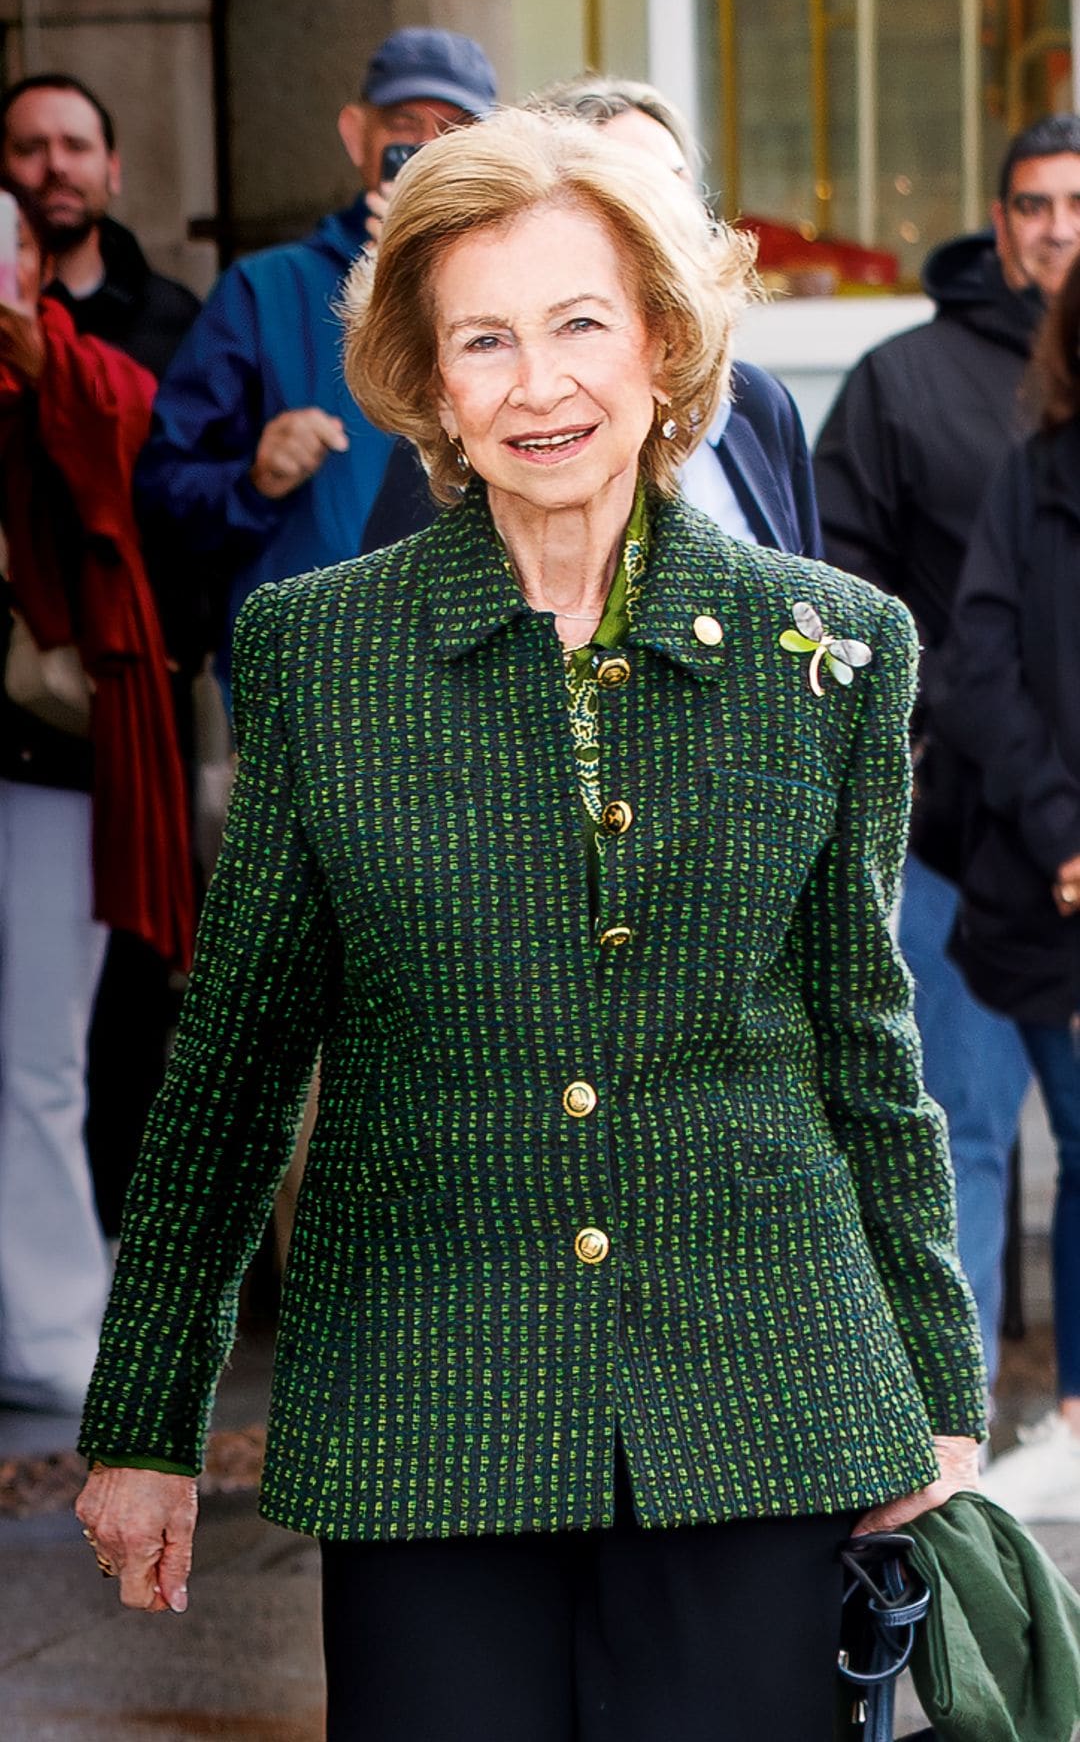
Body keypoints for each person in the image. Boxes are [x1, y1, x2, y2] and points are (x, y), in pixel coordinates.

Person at [75, 109, 985, 1741]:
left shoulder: (830, 647)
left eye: (579, 323)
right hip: (434, 1411)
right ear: (427, 379)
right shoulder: (319, 653)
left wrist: (941, 1396)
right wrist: (146, 1418)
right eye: (483, 339)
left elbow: (868, 1040)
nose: (539, 383)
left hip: (763, 1399)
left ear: (663, 341)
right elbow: (236, 1055)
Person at [815, 113, 1080, 1390]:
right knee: (955, 1142)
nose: (1057, 226)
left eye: (1078, 203)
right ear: (998, 217)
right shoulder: (902, 379)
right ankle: (953, 1443)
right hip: (952, 843)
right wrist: (915, 729)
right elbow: (836, 577)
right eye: (1033, 204)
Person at [132, 26, 497, 688]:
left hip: (478, 683)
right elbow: (163, 497)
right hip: (306, 687)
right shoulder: (263, 289)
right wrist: (255, 479)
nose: (425, 150)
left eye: (453, 129)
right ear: (357, 135)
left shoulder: (524, 295)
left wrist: (435, 276)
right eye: (404, 125)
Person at [0, 186, 192, 1414]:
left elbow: (137, 494)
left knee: (40, 1057)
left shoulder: (87, 376)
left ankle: (58, 1328)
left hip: (45, 750)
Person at [365, 73, 823, 561]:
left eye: (673, 180)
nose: (540, 389)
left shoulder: (757, 405)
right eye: (486, 341)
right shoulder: (471, 419)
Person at [930, 254, 1080, 1519]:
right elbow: (981, 668)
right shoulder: (1033, 480)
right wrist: (1064, 831)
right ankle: (1053, 1416)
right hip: (1048, 883)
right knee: (1047, 1141)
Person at [0, 74, 200, 380]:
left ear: (113, 169)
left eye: (77, 147)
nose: (57, 165)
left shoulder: (176, 316)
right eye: (30, 149)